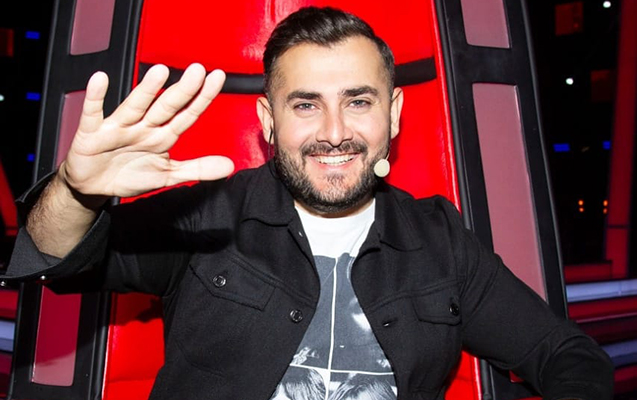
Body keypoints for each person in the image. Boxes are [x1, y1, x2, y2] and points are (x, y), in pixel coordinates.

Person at [4, 6, 612, 400]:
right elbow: (57, 258)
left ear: (394, 113)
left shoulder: (440, 238)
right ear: (269, 119)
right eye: (305, 105)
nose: (334, 132)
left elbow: (565, 355)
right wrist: (76, 191)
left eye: (358, 101)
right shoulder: (207, 217)